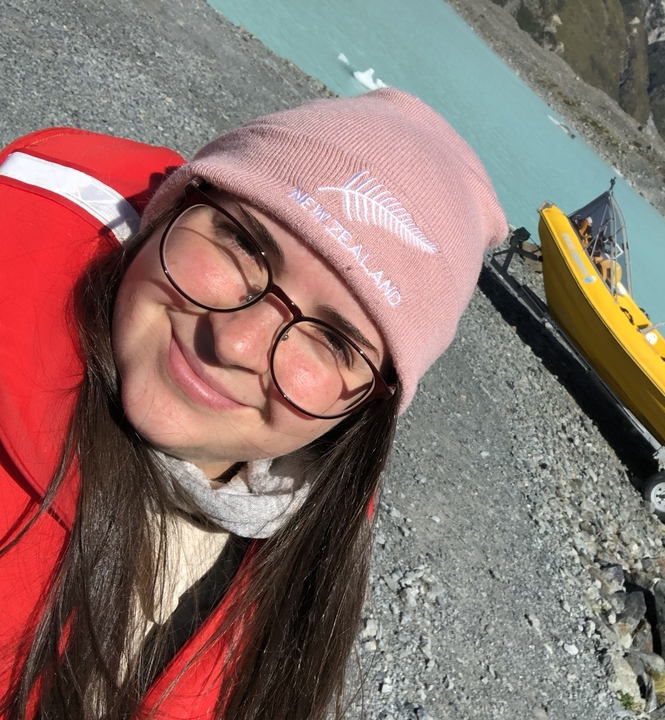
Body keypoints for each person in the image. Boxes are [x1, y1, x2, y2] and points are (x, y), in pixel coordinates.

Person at [0, 89, 507, 719]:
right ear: (178, 206)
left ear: (364, 411)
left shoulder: (303, 578)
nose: (236, 342)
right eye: (245, 245)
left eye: (333, 340)